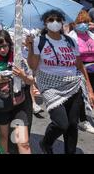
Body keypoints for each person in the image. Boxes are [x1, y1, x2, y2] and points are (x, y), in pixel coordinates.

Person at [26, 9, 94, 154]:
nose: (54, 22)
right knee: (61, 123)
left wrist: (89, 88)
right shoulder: (40, 41)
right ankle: (46, 143)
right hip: (51, 87)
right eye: (50, 20)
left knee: (72, 125)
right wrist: (30, 47)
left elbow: (80, 65)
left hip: (73, 85)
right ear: (45, 23)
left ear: (62, 22)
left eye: (57, 19)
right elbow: (33, 66)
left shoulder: (70, 41)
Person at [0, 30, 34, 154]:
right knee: (4, 139)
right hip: (1, 107)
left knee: (23, 142)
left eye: (5, 46)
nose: (3, 50)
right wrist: (1, 77)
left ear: (10, 44)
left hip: (19, 105)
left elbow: (31, 80)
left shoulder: (18, 58)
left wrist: (22, 76)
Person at [68, 10, 94, 134]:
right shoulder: (71, 38)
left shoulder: (91, 34)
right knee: (83, 95)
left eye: (85, 22)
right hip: (79, 69)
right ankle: (83, 121)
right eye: (80, 22)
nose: (83, 24)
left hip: (93, 67)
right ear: (74, 24)